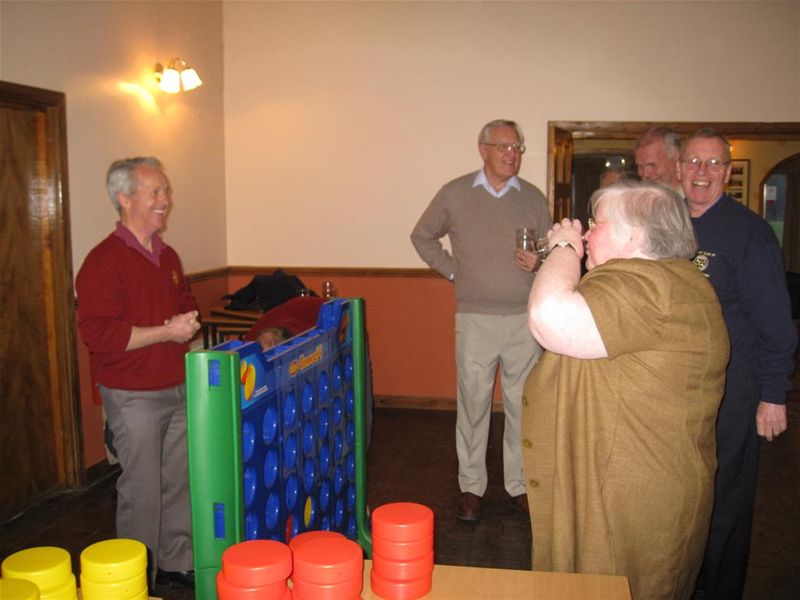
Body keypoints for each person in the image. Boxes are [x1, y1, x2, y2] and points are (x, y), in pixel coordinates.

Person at [521, 182, 729, 599]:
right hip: (633, 479)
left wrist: (562, 249)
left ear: (635, 233)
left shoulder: (649, 285)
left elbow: (549, 317)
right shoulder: (669, 279)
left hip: (632, 499)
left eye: (597, 223)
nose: (584, 233)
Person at [411, 119, 551, 521]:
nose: (513, 154)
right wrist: (454, 271)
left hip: (524, 320)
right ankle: (471, 487)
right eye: (505, 146)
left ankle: (519, 486)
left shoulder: (534, 199)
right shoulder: (455, 194)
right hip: (475, 319)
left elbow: (551, 250)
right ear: (483, 149)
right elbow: (422, 236)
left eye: (518, 148)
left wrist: (540, 260)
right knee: (473, 406)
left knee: (522, 407)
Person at [679, 129, 797, 600]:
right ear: (679, 168)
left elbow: (776, 324)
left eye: (712, 164)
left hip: (734, 388)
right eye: (693, 162)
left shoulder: (750, 234)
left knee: (725, 497)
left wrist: (773, 394)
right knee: (690, 492)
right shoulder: (669, 226)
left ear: (727, 173)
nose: (701, 172)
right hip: (684, 388)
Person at [76, 157, 199, 590]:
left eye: (165, 191)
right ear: (125, 199)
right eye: (156, 193)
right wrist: (167, 330)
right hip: (132, 395)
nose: (166, 200)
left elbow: (184, 301)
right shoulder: (102, 262)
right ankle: (133, 577)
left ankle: (175, 560)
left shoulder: (168, 255)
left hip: (176, 385)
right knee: (142, 490)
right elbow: (99, 335)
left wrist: (183, 321)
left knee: (178, 480)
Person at [635, 126, 682, 191]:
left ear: (676, 158)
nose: (645, 174)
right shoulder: (638, 198)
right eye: (640, 166)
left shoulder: (695, 198)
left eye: (652, 165)